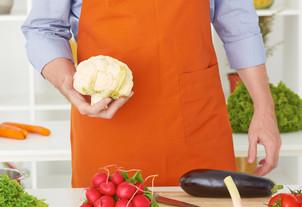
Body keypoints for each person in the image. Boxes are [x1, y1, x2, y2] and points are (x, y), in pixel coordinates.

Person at [21, 0, 281, 187]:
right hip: (108, 125)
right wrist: (68, 83)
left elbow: (239, 25)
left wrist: (264, 109)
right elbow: (43, 29)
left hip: (195, 122)